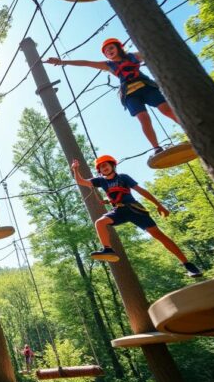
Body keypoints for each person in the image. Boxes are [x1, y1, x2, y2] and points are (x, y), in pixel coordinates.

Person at [45, 39, 183, 155]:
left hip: (146, 87)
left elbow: (150, 52)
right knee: (143, 118)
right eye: (106, 51)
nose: (109, 51)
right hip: (130, 94)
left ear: (118, 47)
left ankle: (187, 128)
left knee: (166, 109)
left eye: (111, 48)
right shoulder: (108, 65)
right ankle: (156, 148)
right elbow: (86, 62)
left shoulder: (134, 56)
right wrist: (62, 62)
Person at [71, 155, 202, 277]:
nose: (104, 168)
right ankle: (107, 249)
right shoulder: (100, 181)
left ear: (112, 165)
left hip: (134, 209)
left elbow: (141, 191)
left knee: (159, 235)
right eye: (101, 167)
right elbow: (80, 181)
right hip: (119, 211)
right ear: (99, 171)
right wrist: (76, 169)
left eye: (106, 165)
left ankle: (187, 264)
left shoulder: (123, 178)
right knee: (100, 222)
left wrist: (159, 205)